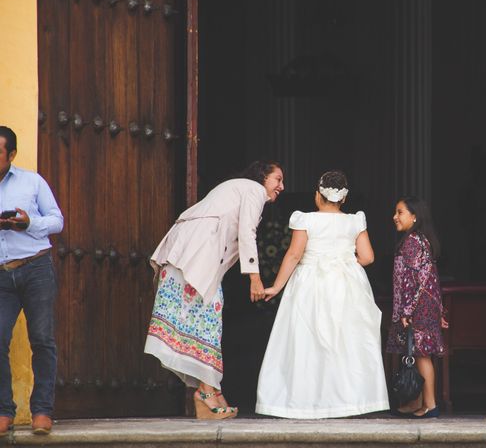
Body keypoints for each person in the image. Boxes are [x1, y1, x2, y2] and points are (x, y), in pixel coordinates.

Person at [144, 160, 284, 420]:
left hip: (190, 259)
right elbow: (247, 232)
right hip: (191, 259)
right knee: (207, 319)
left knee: (206, 320)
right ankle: (207, 394)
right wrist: (254, 278)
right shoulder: (253, 190)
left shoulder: (240, 189)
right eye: (277, 179)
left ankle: (208, 392)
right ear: (263, 177)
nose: (281, 186)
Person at [255, 170, 389, 418]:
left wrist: (276, 286)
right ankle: (349, 400)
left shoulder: (305, 219)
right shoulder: (354, 220)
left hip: (310, 283)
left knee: (307, 340)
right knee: (345, 339)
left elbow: (294, 255)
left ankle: (306, 401)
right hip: (346, 284)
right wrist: (344, 264)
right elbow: (368, 257)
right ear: (344, 198)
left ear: (318, 195)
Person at [0, 126, 64, 436]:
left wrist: (28, 223)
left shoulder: (32, 181)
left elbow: (56, 220)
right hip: (1, 275)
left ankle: (42, 411)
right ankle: (3, 411)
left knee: (42, 339)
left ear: (11, 155)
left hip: (35, 267)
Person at [386, 196, 447, 418]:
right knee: (415, 352)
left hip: (417, 306)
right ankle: (418, 403)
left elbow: (415, 280)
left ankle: (430, 404)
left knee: (421, 355)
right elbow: (430, 277)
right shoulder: (420, 239)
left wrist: (407, 311)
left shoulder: (413, 241)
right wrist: (439, 309)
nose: (395, 216)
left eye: (400, 212)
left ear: (414, 216)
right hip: (425, 304)